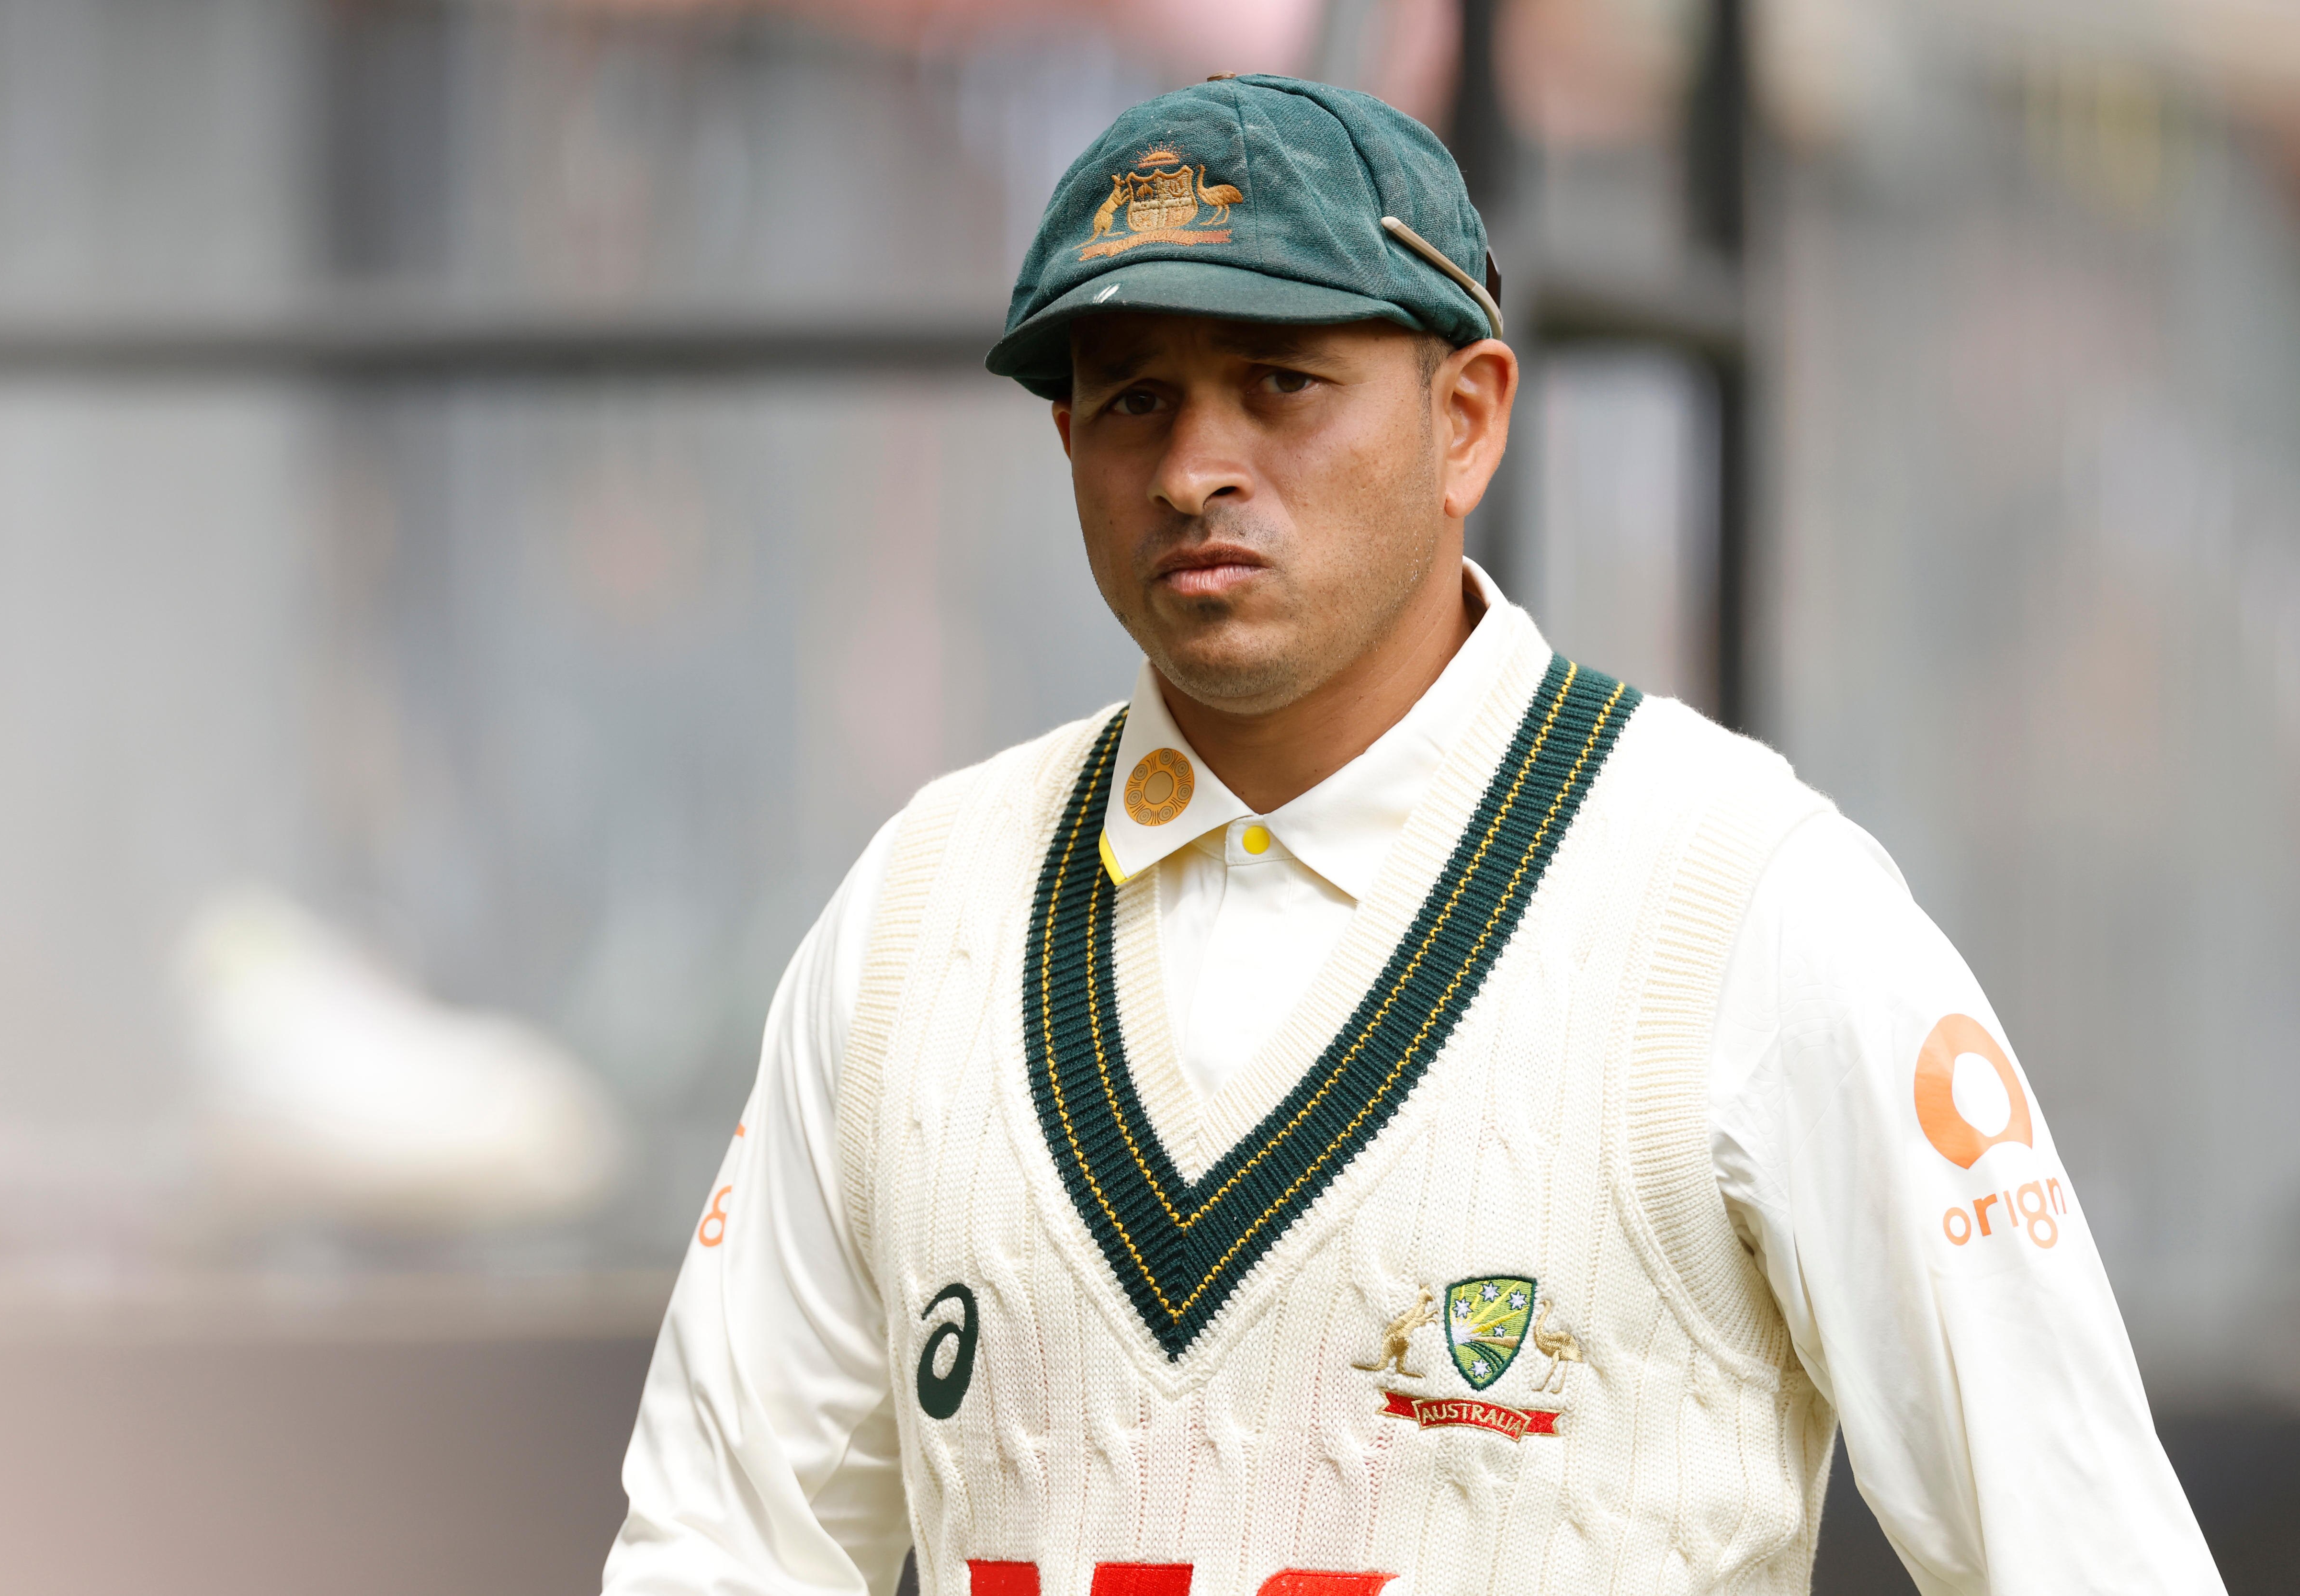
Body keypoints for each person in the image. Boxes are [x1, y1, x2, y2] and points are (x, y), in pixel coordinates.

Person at [601, 76, 2223, 1596]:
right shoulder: (918, 920)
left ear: (1469, 419)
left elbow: (2087, 1551)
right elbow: (713, 1551)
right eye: (1133, 400)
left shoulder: (1743, 906)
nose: (1193, 469)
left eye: (1280, 384)